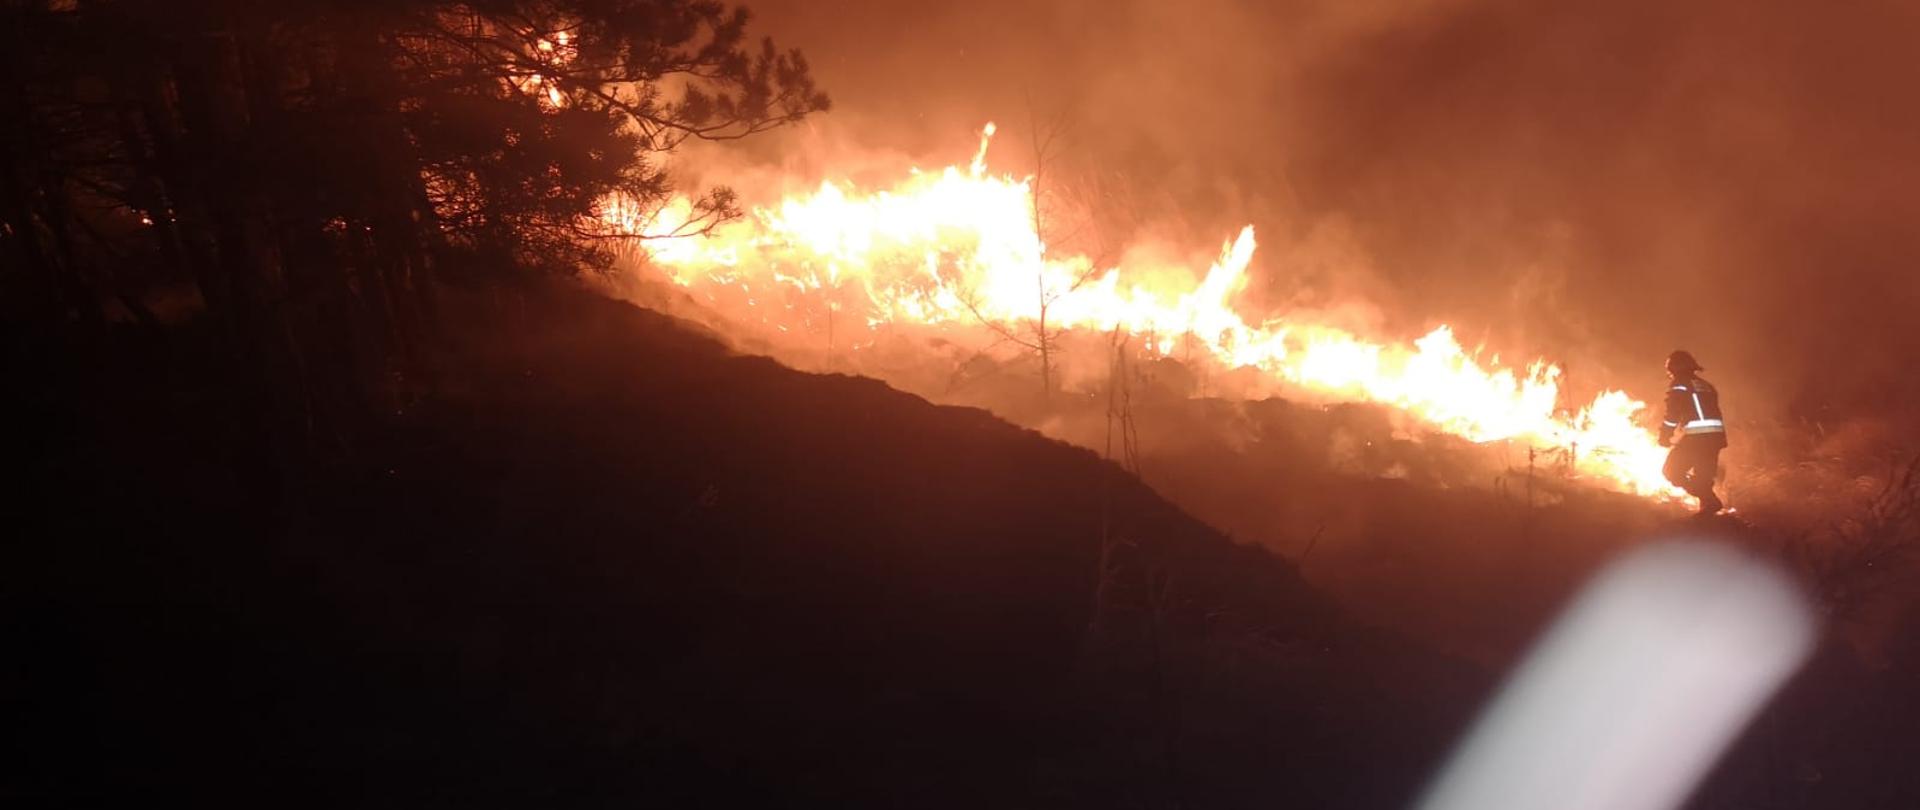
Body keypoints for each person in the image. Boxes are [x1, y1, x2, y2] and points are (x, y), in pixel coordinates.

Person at [1659, 350, 1727, 515]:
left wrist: (1665, 435)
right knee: (1703, 477)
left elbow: (1672, 414)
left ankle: (1709, 500)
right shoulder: (1706, 386)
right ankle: (1708, 512)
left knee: (1671, 471)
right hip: (1715, 438)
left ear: (1674, 368)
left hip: (1697, 438)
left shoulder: (1680, 384)